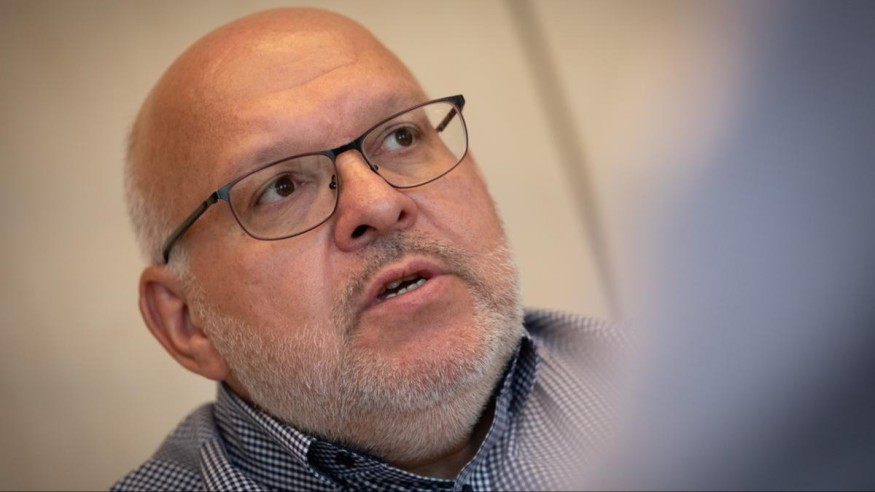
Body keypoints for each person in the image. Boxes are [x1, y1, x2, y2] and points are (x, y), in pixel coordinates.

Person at [114, 7, 620, 491]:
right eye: (281, 187)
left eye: (401, 136)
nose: (379, 204)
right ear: (188, 323)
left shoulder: (657, 389)